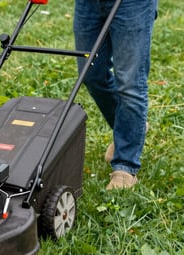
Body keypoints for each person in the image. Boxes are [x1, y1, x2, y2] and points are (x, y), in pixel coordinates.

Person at [73, 0, 158, 189]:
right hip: (88, 4)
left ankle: (125, 168)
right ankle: (131, 128)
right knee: (91, 75)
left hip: (132, 5)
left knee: (129, 83)